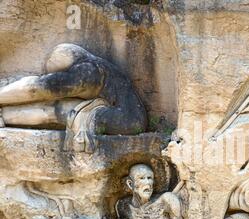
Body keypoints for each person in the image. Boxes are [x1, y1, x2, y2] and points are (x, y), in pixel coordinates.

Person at [0, 43, 148, 152]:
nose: (56, 75)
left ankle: (5, 115)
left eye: (58, 72)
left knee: (54, 110)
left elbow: (37, 89)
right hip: (125, 117)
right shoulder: (103, 70)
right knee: (57, 109)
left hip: (123, 118)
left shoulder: (89, 70)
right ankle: (5, 116)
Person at [115, 164, 187, 219]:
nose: (148, 182)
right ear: (130, 184)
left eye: (149, 178)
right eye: (142, 178)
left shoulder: (165, 201)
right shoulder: (123, 206)